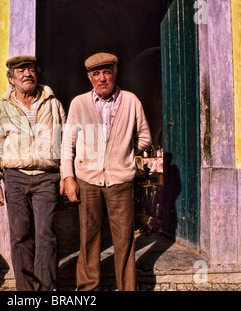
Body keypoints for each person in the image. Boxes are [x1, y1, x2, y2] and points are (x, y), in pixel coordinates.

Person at [61, 52, 152, 291]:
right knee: (89, 238)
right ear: (89, 77)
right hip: (87, 179)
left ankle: (127, 289)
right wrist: (68, 177)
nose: (102, 78)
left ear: (115, 74)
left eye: (107, 72)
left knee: (124, 240)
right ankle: (88, 290)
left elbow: (144, 137)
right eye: (96, 73)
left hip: (120, 180)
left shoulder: (131, 101)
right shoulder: (78, 104)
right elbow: (67, 144)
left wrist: (124, 151)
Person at [0, 55, 66, 291]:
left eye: (30, 69)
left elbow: (67, 141)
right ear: (11, 79)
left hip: (47, 176)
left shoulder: (53, 103)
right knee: (20, 236)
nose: (26, 74)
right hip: (15, 177)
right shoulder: (3, 108)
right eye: (20, 71)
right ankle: (26, 291)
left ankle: (45, 290)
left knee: (46, 235)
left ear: (37, 74)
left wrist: (66, 174)